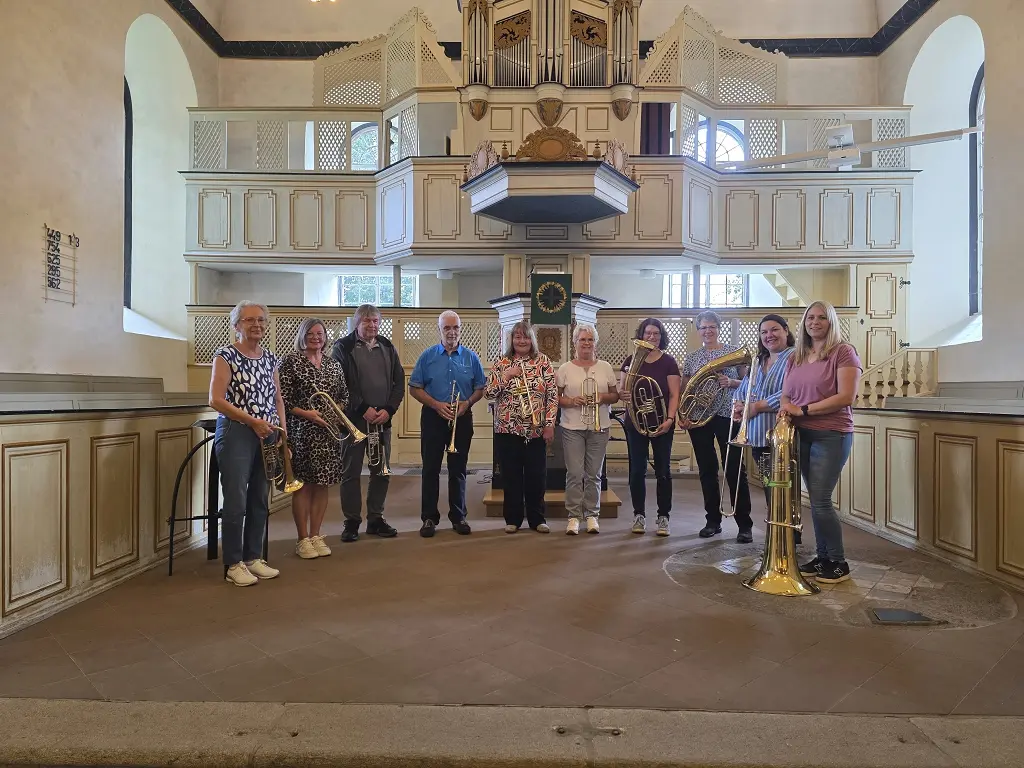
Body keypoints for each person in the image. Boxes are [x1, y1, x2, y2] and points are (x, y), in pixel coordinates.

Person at [781, 301, 862, 584]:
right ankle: (823, 556)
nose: (814, 322)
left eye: (821, 318)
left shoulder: (843, 352)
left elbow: (846, 397)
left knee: (822, 499)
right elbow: (786, 395)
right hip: (802, 434)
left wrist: (803, 410)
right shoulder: (796, 356)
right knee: (814, 500)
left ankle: (838, 562)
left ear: (831, 322)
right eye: (810, 318)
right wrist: (787, 409)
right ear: (804, 323)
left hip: (832, 433)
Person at [208, 300, 286, 587]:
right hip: (237, 432)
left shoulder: (270, 359)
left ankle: (253, 557)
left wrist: (283, 433)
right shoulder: (225, 355)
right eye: (249, 320)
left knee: (259, 498)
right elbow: (216, 399)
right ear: (236, 325)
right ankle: (233, 563)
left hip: (267, 433)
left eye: (261, 320)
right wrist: (253, 421)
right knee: (236, 499)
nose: (257, 325)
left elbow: (277, 399)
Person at [329, 304, 405, 542]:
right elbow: (339, 383)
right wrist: (363, 409)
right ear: (357, 323)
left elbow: (399, 382)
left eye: (375, 321)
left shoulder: (387, 346)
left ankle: (375, 518)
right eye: (367, 321)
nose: (372, 325)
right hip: (354, 422)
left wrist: (389, 410)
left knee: (381, 471)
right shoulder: (343, 347)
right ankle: (351, 522)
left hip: (381, 421)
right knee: (350, 473)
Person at [408, 311, 487, 538]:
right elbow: (414, 388)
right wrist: (435, 405)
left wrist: (467, 403)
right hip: (434, 417)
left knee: (458, 469)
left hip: (462, 417)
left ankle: (458, 516)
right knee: (430, 468)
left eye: (455, 328)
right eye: (447, 328)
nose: (452, 332)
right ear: (439, 330)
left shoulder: (471, 358)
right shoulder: (427, 356)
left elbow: (480, 388)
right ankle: (429, 517)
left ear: (460, 330)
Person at [679, 310, 753, 542]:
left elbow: (749, 383)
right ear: (698, 331)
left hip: (727, 415)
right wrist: (684, 414)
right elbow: (685, 389)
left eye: (712, 327)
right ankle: (712, 520)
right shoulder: (692, 358)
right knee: (707, 470)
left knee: (734, 469)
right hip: (700, 417)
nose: (708, 331)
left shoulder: (733, 351)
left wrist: (731, 382)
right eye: (703, 327)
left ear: (719, 329)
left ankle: (744, 524)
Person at [278, 318, 349, 559]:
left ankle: (316, 535)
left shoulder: (333, 364)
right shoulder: (290, 362)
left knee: (322, 484)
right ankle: (302, 539)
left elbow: (344, 396)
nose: (316, 337)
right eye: (310, 333)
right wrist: (307, 413)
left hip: (327, 433)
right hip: (302, 432)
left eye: (320, 334)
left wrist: (333, 412)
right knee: (303, 486)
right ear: (302, 336)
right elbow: (283, 399)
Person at [485, 321, 557, 534]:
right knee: (511, 476)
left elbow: (552, 396)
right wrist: (506, 376)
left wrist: (549, 424)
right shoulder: (502, 362)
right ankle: (513, 519)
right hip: (507, 430)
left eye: (525, 337)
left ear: (531, 339)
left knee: (537, 476)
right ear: (512, 339)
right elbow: (488, 393)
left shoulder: (543, 361)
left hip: (536, 430)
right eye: (517, 336)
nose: (521, 340)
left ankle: (537, 519)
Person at [731, 314, 797, 542]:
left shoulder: (795, 357)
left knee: (784, 492)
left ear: (786, 330)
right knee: (772, 491)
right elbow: (743, 390)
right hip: (759, 437)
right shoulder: (759, 361)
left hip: (783, 436)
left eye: (774, 329)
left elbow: (792, 393)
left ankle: (788, 542)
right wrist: (739, 406)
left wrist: (756, 406)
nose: (769, 335)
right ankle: (778, 541)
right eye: (764, 332)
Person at [619, 318, 681, 537]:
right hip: (636, 423)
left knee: (663, 471)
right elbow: (622, 391)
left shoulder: (669, 362)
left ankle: (663, 516)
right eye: (648, 333)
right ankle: (639, 515)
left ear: (661, 336)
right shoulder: (630, 360)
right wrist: (622, 393)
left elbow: (674, 394)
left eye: (656, 333)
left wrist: (670, 419)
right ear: (641, 335)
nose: (652, 337)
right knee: (637, 471)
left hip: (662, 423)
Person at [556, 323, 619, 535]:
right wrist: (572, 400)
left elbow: (615, 396)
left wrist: (602, 397)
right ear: (575, 342)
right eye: (582, 339)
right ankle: (574, 516)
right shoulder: (565, 368)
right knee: (574, 474)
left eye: (590, 339)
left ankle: (592, 515)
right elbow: (556, 398)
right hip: (572, 427)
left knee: (594, 474)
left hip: (599, 427)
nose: (586, 343)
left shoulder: (605, 367)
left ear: (595, 343)